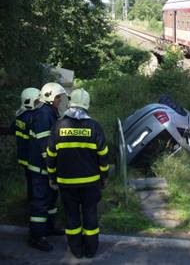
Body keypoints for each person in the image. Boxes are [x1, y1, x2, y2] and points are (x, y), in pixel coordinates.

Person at [46, 88, 109, 259]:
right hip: (91, 183)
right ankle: (91, 249)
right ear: (87, 104)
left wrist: (52, 177)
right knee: (90, 214)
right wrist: (104, 177)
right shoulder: (94, 127)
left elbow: (51, 156)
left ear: (70, 103)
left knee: (71, 216)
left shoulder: (58, 126)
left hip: (66, 183)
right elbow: (103, 155)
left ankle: (76, 250)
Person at [26, 82, 68, 251]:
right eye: (58, 97)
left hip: (46, 168)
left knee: (51, 201)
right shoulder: (44, 115)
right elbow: (46, 148)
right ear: (51, 97)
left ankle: (49, 228)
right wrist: (52, 171)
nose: (60, 100)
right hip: (41, 169)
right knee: (40, 202)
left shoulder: (48, 112)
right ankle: (36, 237)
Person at [13, 88, 40, 201]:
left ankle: (30, 201)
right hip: (32, 157)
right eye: (38, 101)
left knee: (29, 181)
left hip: (23, 156)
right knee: (37, 184)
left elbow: (12, 128)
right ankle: (35, 203)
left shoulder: (19, 115)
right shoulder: (32, 118)